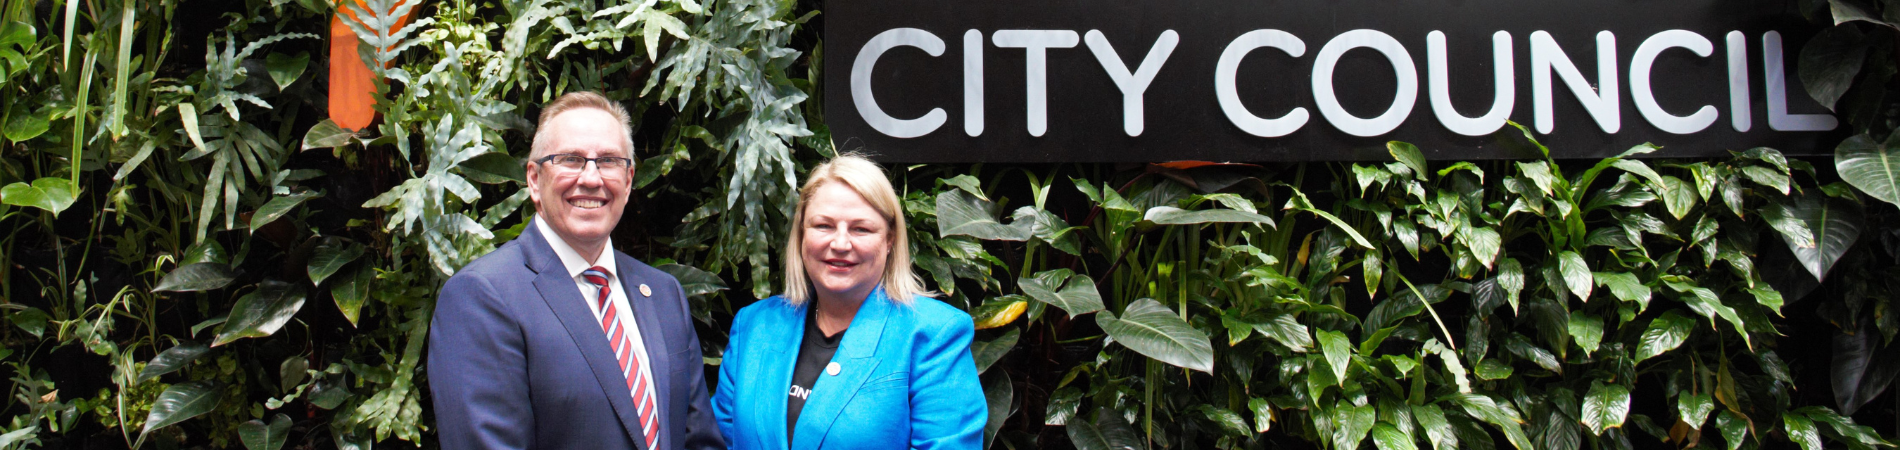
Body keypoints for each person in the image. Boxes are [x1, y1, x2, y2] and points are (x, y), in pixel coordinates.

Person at [429, 91, 724, 450]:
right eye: (570, 159)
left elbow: (700, 441)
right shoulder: (483, 296)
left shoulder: (664, 294)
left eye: (609, 161)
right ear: (535, 179)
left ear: (629, 180)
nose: (591, 178)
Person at [712, 154, 986, 450]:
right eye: (824, 226)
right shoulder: (755, 326)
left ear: (890, 239)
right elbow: (718, 441)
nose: (840, 244)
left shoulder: (933, 335)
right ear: (802, 233)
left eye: (861, 229)